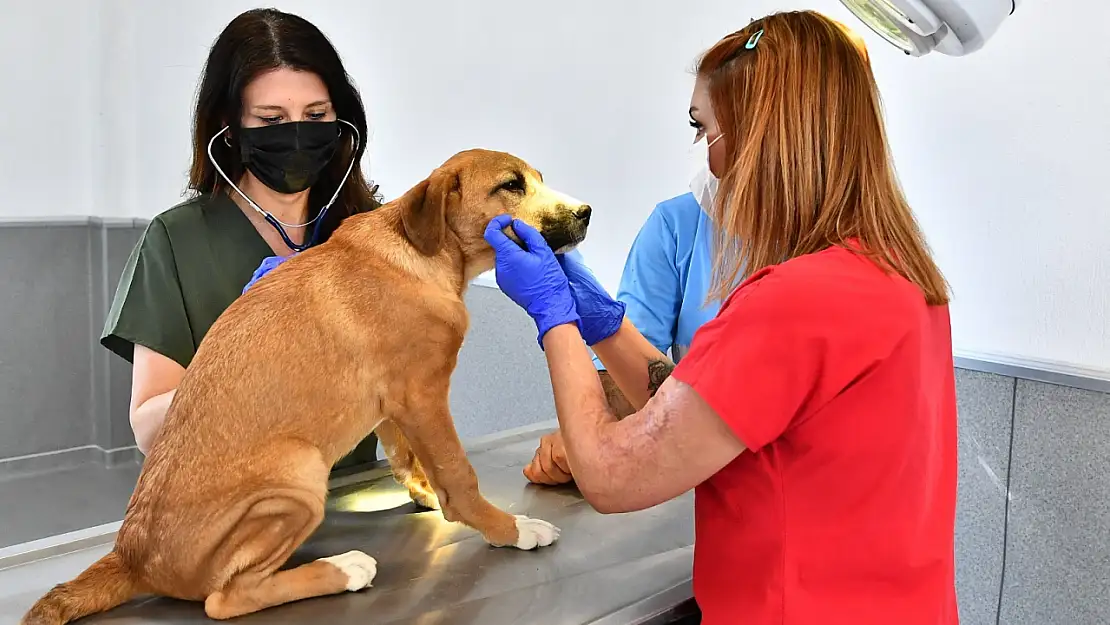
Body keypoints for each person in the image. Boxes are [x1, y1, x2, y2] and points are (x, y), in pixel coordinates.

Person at [485, 11, 958, 625]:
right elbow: (690, 412)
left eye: (701, 128)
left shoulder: (791, 301)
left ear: (760, 136)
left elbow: (608, 474)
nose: (703, 161)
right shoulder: (899, 275)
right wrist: (603, 323)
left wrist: (555, 320)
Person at [101, 8, 382, 472]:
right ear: (229, 128)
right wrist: (246, 366)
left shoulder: (370, 231)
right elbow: (150, 430)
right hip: (236, 510)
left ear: (340, 119)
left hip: (355, 499)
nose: (296, 134)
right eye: (271, 120)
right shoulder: (177, 241)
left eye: (316, 115)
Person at [522, 170, 720, 485]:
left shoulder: (811, 270)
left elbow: (608, 492)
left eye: (703, 127)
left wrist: (557, 320)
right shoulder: (678, 226)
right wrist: (596, 426)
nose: (709, 155)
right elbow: (636, 385)